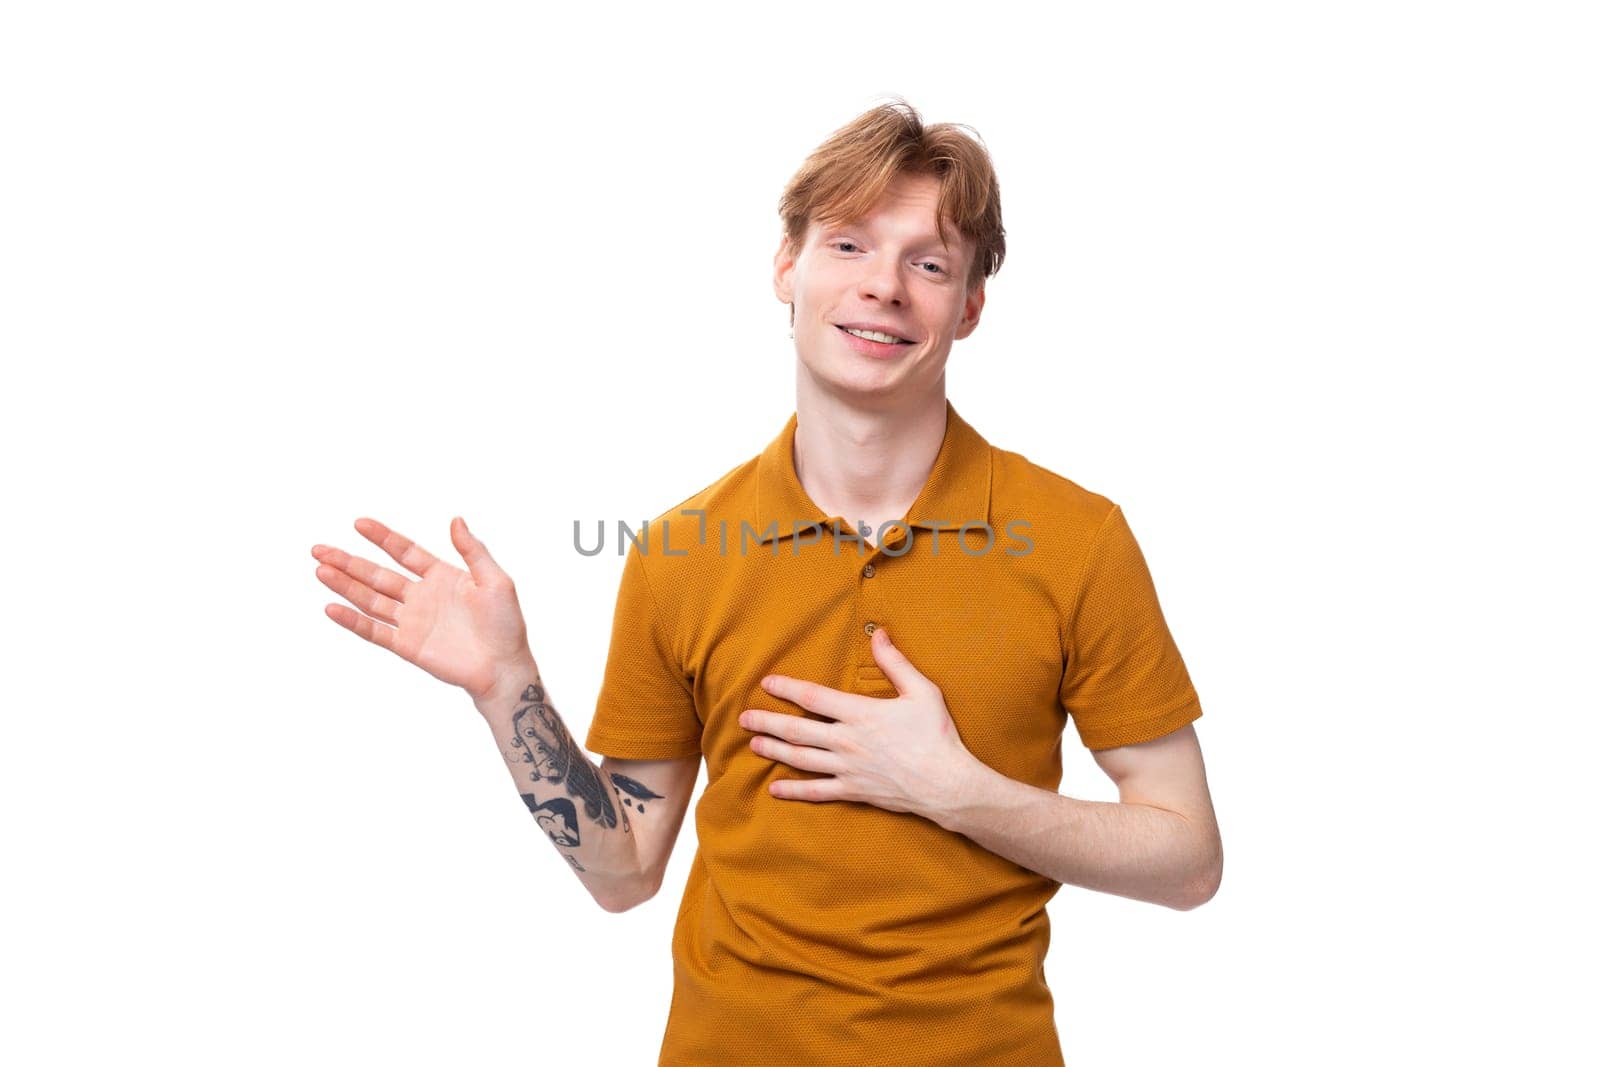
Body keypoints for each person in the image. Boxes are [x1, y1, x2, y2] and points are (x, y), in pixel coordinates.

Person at [310, 98, 1223, 1066]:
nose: (883, 287)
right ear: (785, 267)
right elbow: (621, 869)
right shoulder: (680, 549)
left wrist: (952, 789)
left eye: (927, 261)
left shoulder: (1075, 539)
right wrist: (507, 688)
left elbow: (1186, 861)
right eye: (848, 245)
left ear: (968, 305)